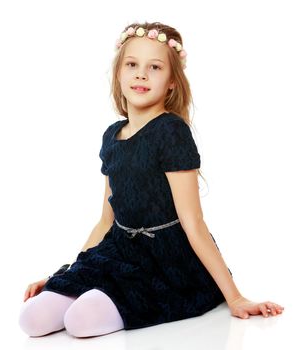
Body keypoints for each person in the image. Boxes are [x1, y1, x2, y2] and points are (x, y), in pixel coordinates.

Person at [18, 21, 284, 339]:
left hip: (165, 259)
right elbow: (105, 222)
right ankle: (85, 287)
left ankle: (135, 295)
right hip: (119, 249)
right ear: (119, 73)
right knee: (31, 319)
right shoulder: (111, 136)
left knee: (80, 321)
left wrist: (235, 297)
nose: (141, 74)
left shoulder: (171, 132)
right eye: (132, 65)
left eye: (154, 67)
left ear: (172, 82)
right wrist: (66, 274)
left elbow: (194, 223)